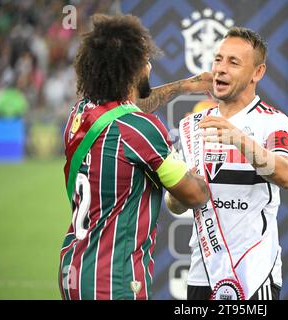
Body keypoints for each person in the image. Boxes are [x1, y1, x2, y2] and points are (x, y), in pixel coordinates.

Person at [59, 14, 210, 300]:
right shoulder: (143, 129)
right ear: (133, 69)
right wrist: (201, 163)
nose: (150, 65)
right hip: (115, 279)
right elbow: (193, 195)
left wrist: (182, 87)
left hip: (74, 270)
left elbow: (127, 108)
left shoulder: (79, 115)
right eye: (146, 60)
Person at [166, 27, 288, 300]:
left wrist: (239, 140)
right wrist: (181, 190)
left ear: (257, 73)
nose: (220, 69)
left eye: (233, 62)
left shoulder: (273, 121)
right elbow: (174, 205)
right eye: (218, 59)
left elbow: (285, 175)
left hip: (254, 272)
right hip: (203, 272)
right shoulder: (190, 125)